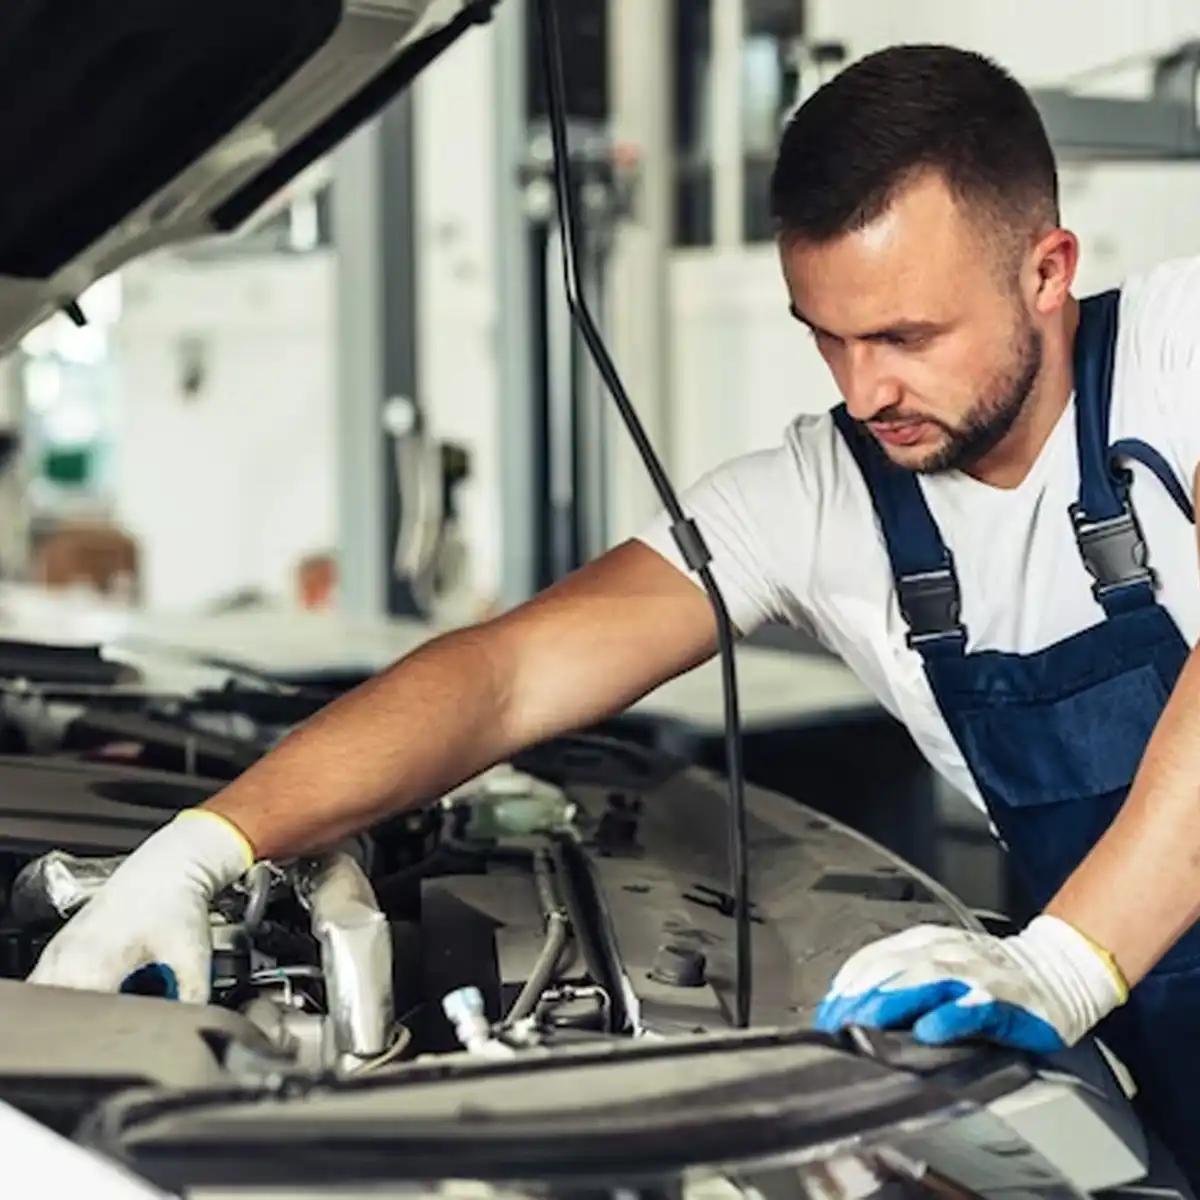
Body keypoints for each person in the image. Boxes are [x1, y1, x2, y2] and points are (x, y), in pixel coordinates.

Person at [30, 43, 1200, 1177]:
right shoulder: (818, 495)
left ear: (1047, 270)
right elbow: (506, 677)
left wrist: (1061, 960)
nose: (864, 390)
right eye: (827, 339)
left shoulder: (1177, 353)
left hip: (1103, 963)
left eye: (905, 336)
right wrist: (203, 849)